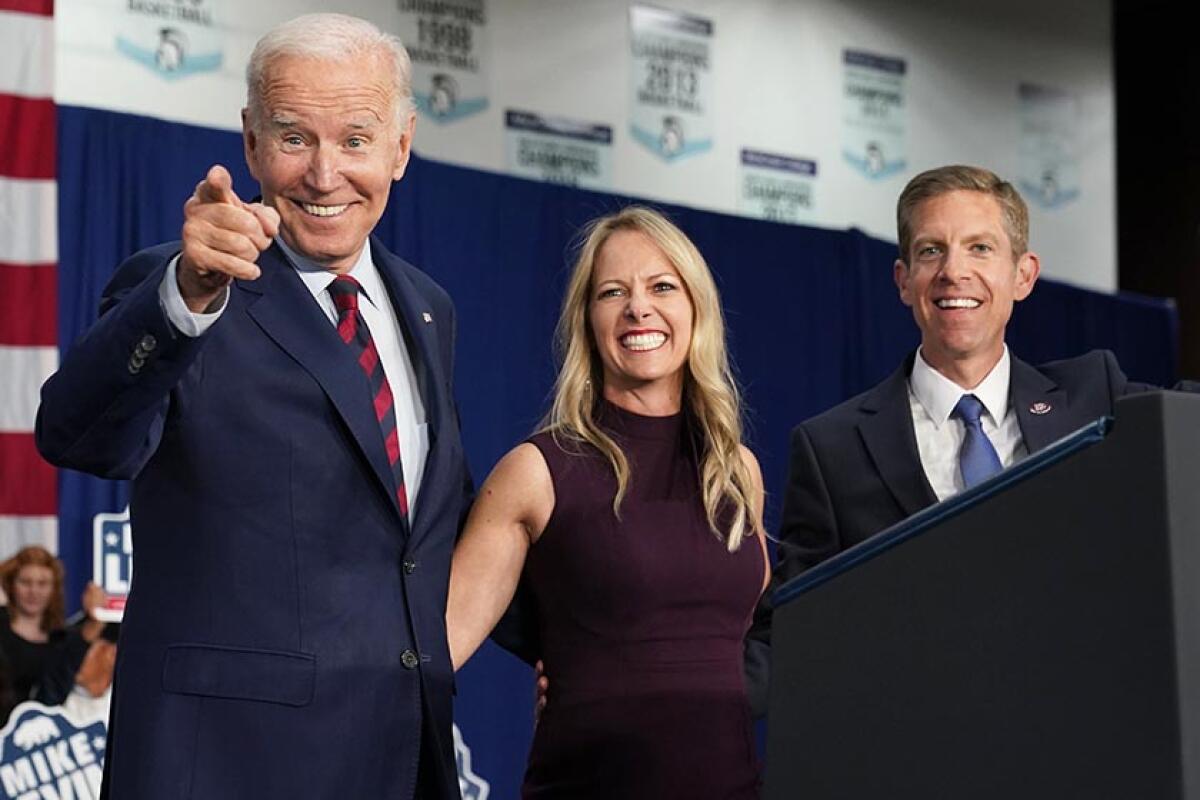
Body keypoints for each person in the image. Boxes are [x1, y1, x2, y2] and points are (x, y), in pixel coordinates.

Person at [35, 13, 470, 799]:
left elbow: (421, 537)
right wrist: (182, 302)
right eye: (295, 137)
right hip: (227, 764)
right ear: (251, 143)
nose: (325, 174)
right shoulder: (183, 287)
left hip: (398, 757)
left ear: (401, 147)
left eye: (356, 139)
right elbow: (77, 434)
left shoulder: (428, 309)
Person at [746, 165, 1154, 704]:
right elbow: (793, 632)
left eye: (980, 248)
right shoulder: (832, 449)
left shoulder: (1095, 395)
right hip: (915, 756)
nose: (953, 271)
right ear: (903, 279)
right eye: (931, 250)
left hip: (1075, 739)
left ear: (1023, 275)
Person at [446, 207, 770, 799]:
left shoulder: (737, 471)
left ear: (696, 308)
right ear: (587, 321)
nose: (638, 308)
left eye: (662, 287)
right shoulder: (536, 471)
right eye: (612, 292)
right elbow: (433, 648)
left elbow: (741, 638)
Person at [0, 546, 107, 721]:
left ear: (54, 589)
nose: (33, 591)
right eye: (25, 582)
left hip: (36, 740)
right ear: (11, 585)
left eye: (42, 583)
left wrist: (96, 618)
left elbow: (55, 694)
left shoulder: (62, 640)